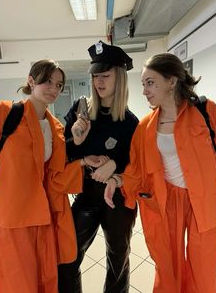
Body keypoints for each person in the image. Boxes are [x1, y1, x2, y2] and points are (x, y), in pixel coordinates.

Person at [104, 53, 216, 292]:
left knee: (203, 266)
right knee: (168, 264)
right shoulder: (146, 126)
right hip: (166, 201)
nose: (145, 90)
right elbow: (136, 171)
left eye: (150, 82)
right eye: (143, 84)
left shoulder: (205, 111)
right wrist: (116, 180)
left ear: (172, 81)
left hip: (204, 200)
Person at [0, 59, 87, 293]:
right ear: (31, 81)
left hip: (44, 218)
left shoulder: (56, 128)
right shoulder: (5, 113)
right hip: (11, 217)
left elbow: (54, 177)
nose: (54, 89)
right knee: (15, 283)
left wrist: (82, 160)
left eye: (59, 85)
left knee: (43, 281)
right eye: (47, 81)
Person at [58, 40, 139, 293]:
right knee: (66, 257)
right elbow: (62, 154)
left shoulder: (130, 122)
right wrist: (76, 140)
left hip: (118, 198)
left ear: (120, 78)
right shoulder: (80, 112)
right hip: (86, 195)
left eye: (105, 75)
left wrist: (115, 164)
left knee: (118, 262)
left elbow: (136, 162)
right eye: (95, 76)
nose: (98, 82)